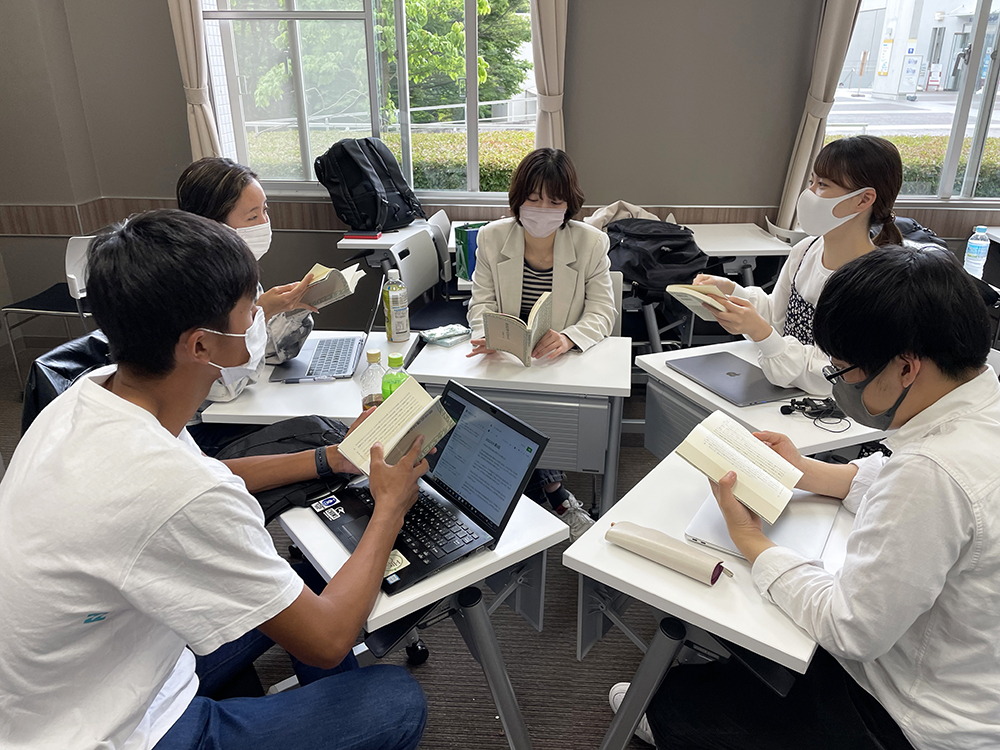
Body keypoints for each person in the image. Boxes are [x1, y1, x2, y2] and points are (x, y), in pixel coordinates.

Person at [0, 210, 428, 750]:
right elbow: (327, 640)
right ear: (200, 346)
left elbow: (206, 471)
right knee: (395, 701)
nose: (259, 316)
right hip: (107, 731)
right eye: (251, 308)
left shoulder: (96, 394)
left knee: (309, 575)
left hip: (65, 682)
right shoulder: (175, 489)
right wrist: (389, 507)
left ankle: (320, 714)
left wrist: (332, 457)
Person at [610, 245, 1000, 749]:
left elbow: (851, 630)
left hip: (908, 719)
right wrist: (806, 471)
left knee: (678, 700)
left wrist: (750, 539)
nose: (838, 386)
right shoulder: (979, 404)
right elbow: (893, 478)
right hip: (968, 678)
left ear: (906, 368)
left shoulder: (932, 473)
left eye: (843, 371)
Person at [467, 148, 616, 540]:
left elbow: (603, 312)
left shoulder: (591, 243)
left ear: (570, 204)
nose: (543, 210)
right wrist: (487, 332)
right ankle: (555, 496)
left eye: (554, 201)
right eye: (533, 199)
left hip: (558, 364)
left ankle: (540, 496)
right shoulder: (492, 237)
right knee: (502, 410)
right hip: (506, 360)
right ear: (518, 199)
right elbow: (480, 301)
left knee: (534, 416)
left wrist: (569, 337)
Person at [694, 135, 903, 395]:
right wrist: (732, 292)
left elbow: (831, 376)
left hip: (827, 407)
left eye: (823, 185)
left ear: (863, 199)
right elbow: (777, 317)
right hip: (783, 391)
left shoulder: (874, 281)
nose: (809, 194)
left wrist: (760, 332)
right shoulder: (805, 250)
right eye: (811, 182)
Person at [176, 157, 318, 403]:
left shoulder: (237, 271)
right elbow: (221, 387)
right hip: (202, 418)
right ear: (213, 225)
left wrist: (291, 309)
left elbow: (269, 354)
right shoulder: (190, 286)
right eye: (252, 218)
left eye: (265, 210)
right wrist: (261, 313)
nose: (264, 223)